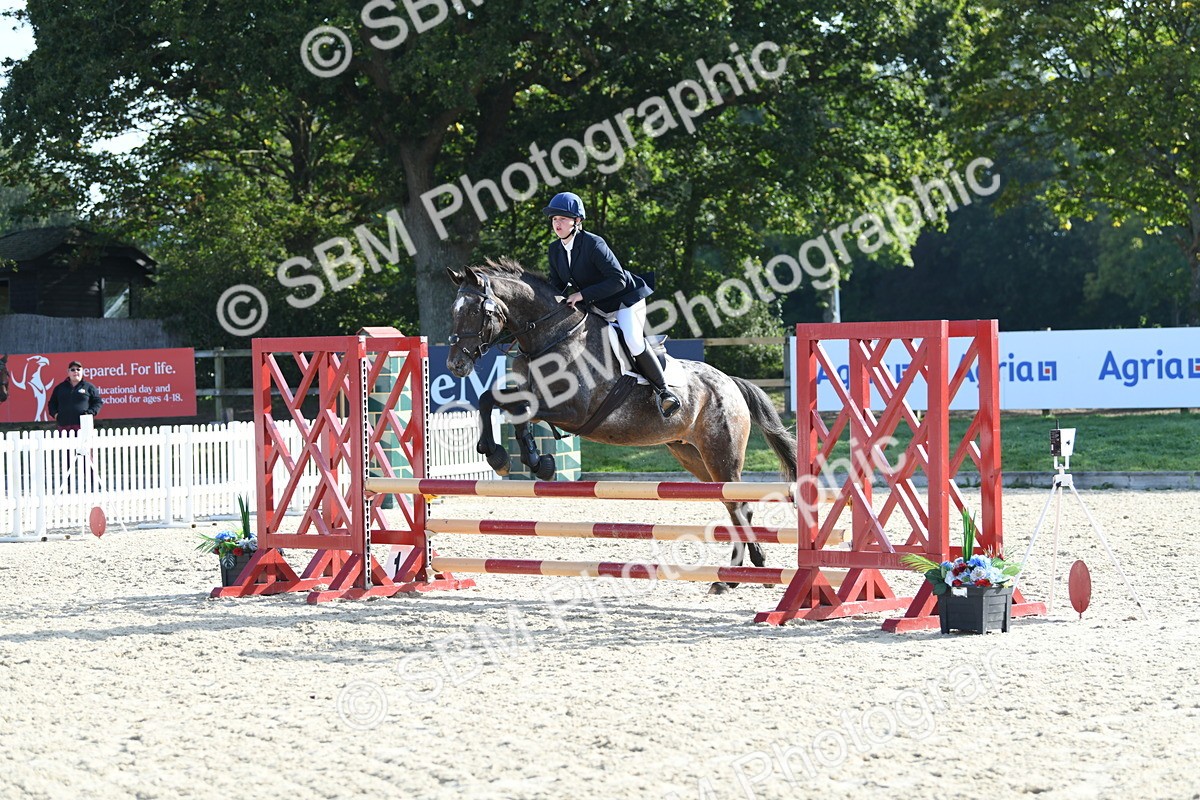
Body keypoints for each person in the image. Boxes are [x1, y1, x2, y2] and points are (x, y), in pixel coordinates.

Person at [542, 191, 681, 418]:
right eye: (554, 219)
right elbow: (556, 287)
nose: (557, 223)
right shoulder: (555, 250)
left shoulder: (593, 243)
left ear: (577, 221)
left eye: (563, 218)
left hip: (625, 299)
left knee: (633, 341)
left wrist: (582, 295)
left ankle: (664, 392)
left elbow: (618, 280)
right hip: (597, 304)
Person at [48, 360, 103, 431]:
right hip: (64, 426)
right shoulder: (59, 388)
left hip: (84, 425)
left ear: (82, 371)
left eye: (78, 369)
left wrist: (89, 413)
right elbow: (52, 403)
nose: (75, 371)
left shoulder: (89, 387)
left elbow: (98, 402)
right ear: (68, 372)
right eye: (72, 370)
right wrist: (56, 415)